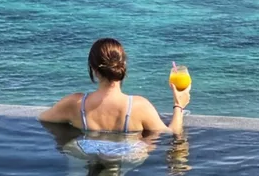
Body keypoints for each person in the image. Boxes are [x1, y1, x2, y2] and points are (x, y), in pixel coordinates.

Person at [38, 37, 190, 135]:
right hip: (126, 158)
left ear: (94, 70)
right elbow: (172, 132)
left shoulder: (74, 104)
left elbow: (43, 119)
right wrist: (179, 105)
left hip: (88, 158)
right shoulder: (139, 107)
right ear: (123, 66)